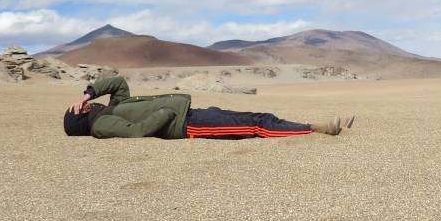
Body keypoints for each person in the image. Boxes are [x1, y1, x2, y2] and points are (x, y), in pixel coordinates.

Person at [63, 75, 353, 139]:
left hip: (192, 112)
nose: (82, 107)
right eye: (76, 110)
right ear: (79, 121)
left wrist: (88, 94)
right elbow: (136, 131)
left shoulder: (111, 106)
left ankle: (308, 125)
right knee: (255, 126)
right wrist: (167, 113)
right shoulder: (101, 124)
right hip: (188, 125)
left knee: (260, 116)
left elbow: (118, 82)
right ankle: (315, 129)